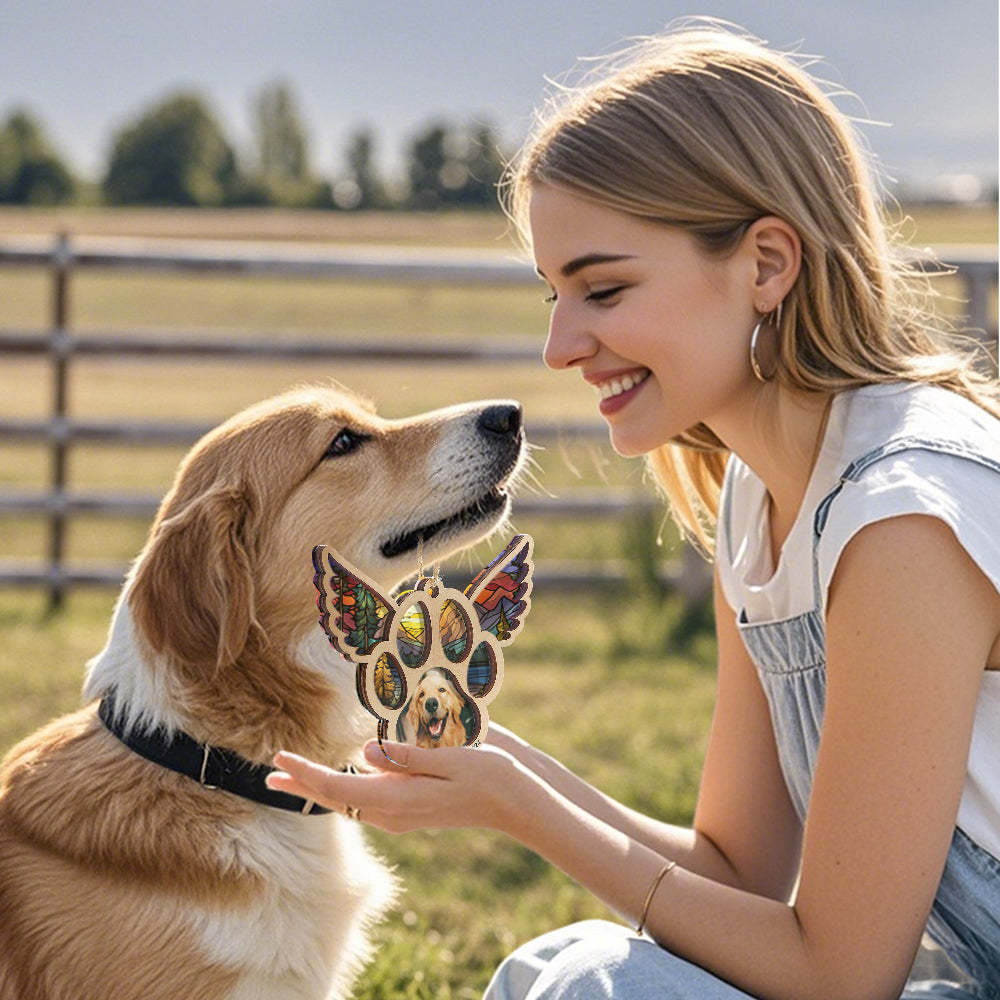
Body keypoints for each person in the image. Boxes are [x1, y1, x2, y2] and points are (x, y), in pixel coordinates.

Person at [266, 17, 1000, 1000]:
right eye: (552, 298)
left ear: (766, 265)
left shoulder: (902, 518)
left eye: (602, 289)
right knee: (560, 966)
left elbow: (837, 974)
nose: (562, 347)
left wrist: (527, 812)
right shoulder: (761, 500)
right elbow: (736, 873)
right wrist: (499, 768)